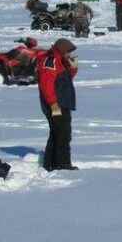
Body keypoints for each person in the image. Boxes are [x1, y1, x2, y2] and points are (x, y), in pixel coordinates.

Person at [37, 39, 79, 171]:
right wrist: (53, 104)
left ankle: (50, 163)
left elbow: (65, 80)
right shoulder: (51, 61)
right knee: (63, 134)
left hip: (62, 103)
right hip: (56, 104)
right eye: (68, 52)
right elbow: (46, 85)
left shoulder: (59, 60)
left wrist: (73, 68)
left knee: (57, 133)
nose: (69, 55)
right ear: (62, 50)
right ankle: (63, 164)